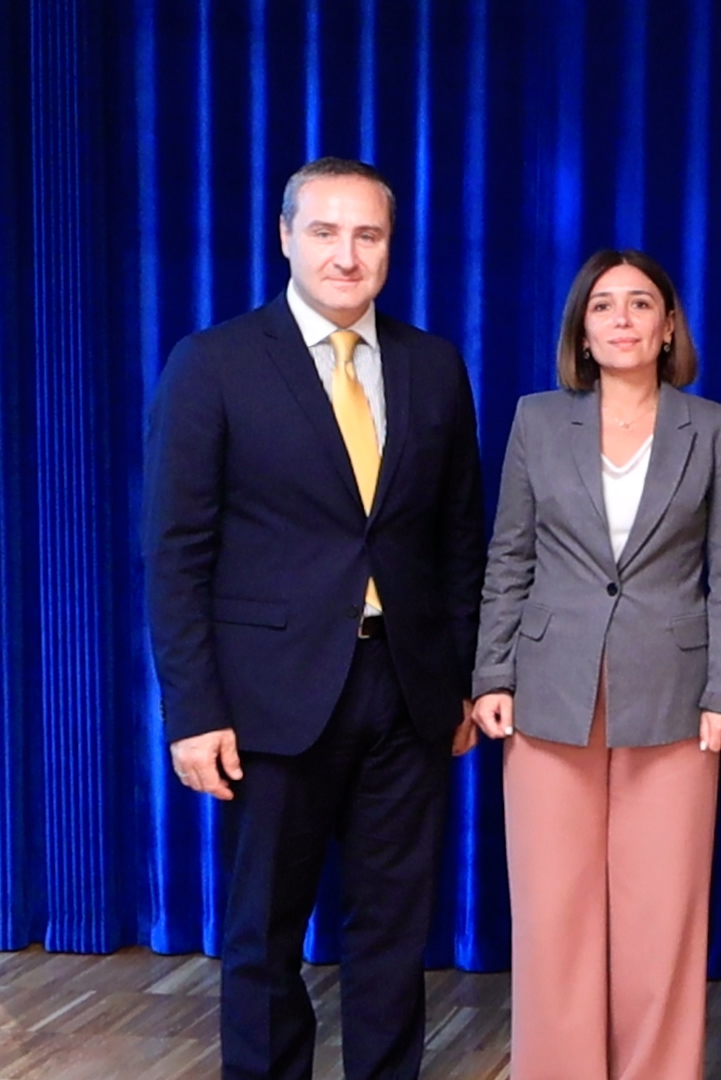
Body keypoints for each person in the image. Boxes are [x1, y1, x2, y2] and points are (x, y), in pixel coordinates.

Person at [142, 156, 486, 1080]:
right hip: (269, 699)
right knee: (263, 934)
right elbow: (175, 553)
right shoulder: (213, 363)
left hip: (408, 694)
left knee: (394, 933)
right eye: (326, 232)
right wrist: (193, 711)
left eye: (368, 234)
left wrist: (460, 679)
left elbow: (461, 539)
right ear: (286, 237)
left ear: (390, 246)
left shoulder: (433, 365)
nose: (347, 255)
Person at [467, 249, 721, 1080]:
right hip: (548, 692)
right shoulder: (534, 421)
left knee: (662, 911)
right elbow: (509, 555)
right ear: (581, 332)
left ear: (668, 328)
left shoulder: (715, 427)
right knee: (552, 910)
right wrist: (491, 675)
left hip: (676, 697)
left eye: (639, 303)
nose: (621, 319)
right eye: (602, 305)